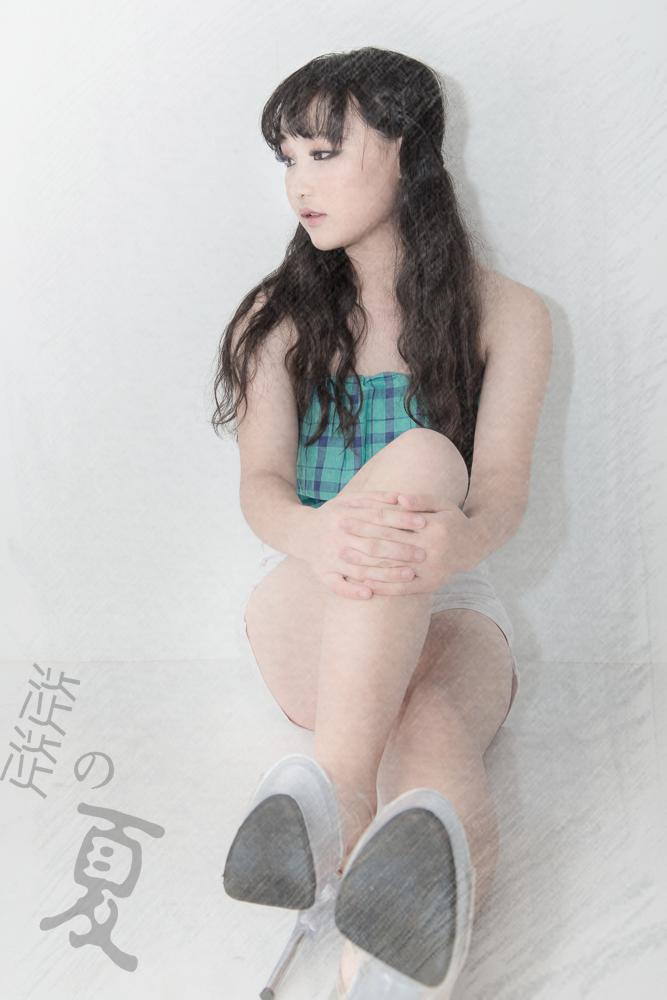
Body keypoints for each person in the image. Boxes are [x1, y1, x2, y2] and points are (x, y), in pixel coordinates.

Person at [213, 46, 552, 999]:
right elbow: (262, 490)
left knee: (432, 725)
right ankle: (342, 786)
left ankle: (381, 967)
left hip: (451, 596)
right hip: (307, 588)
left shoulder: (509, 315)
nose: (299, 184)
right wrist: (320, 536)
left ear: (406, 148)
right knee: (425, 459)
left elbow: (502, 492)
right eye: (287, 159)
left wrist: (460, 542)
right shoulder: (274, 318)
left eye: (323, 153)